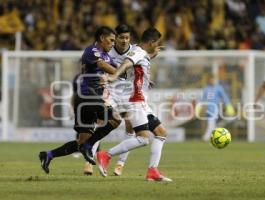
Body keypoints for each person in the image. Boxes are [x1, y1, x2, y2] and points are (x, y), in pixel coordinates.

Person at [38, 26, 122, 174]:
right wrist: (117, 74)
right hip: (87, 95)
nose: (113, 44)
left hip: (89, 99)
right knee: (116, 119)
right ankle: (89, 146)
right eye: (111, 40)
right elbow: (103, 65)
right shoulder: (92, 50)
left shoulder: (108, 56)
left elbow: (121, 69)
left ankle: (48, 155)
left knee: (81, 141)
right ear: (102, 38)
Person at [95, 27, 172, 182]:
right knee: (143, 139)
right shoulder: (138, 52)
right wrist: (113, 76)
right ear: (151, 42)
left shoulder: (139, 51)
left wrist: (152, 55)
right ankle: (105, 155)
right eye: (156, 43)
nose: (157, 45)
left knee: (161, 133)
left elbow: (137, 65)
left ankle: (152, 171)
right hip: (135, 101)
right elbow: (126, 63)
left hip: (140, 100)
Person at [83, 24, 135, 176]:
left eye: (127, 37)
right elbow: (100, 64)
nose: (124, 41)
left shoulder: (134, 51)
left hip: (127, 91)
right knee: (101, 120)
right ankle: (89, 160)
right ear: (115, 38)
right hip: (110, 90)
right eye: (120, 38)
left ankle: (120, 164)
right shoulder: (107, 49)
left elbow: (142, 65)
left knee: (130, 126)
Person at [196, 74, 235, 141]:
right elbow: (202, 99)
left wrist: (229, 106)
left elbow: (225, 97)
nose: (212, 81)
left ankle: (208, 136)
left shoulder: (219, 88)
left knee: (225, 120)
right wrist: (199, 108)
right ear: (208, 80)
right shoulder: (206, 89)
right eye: (211, 79)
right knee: (211, 122)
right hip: (209, 109)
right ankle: (207, 137)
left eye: (213, 79)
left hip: (218, 108)